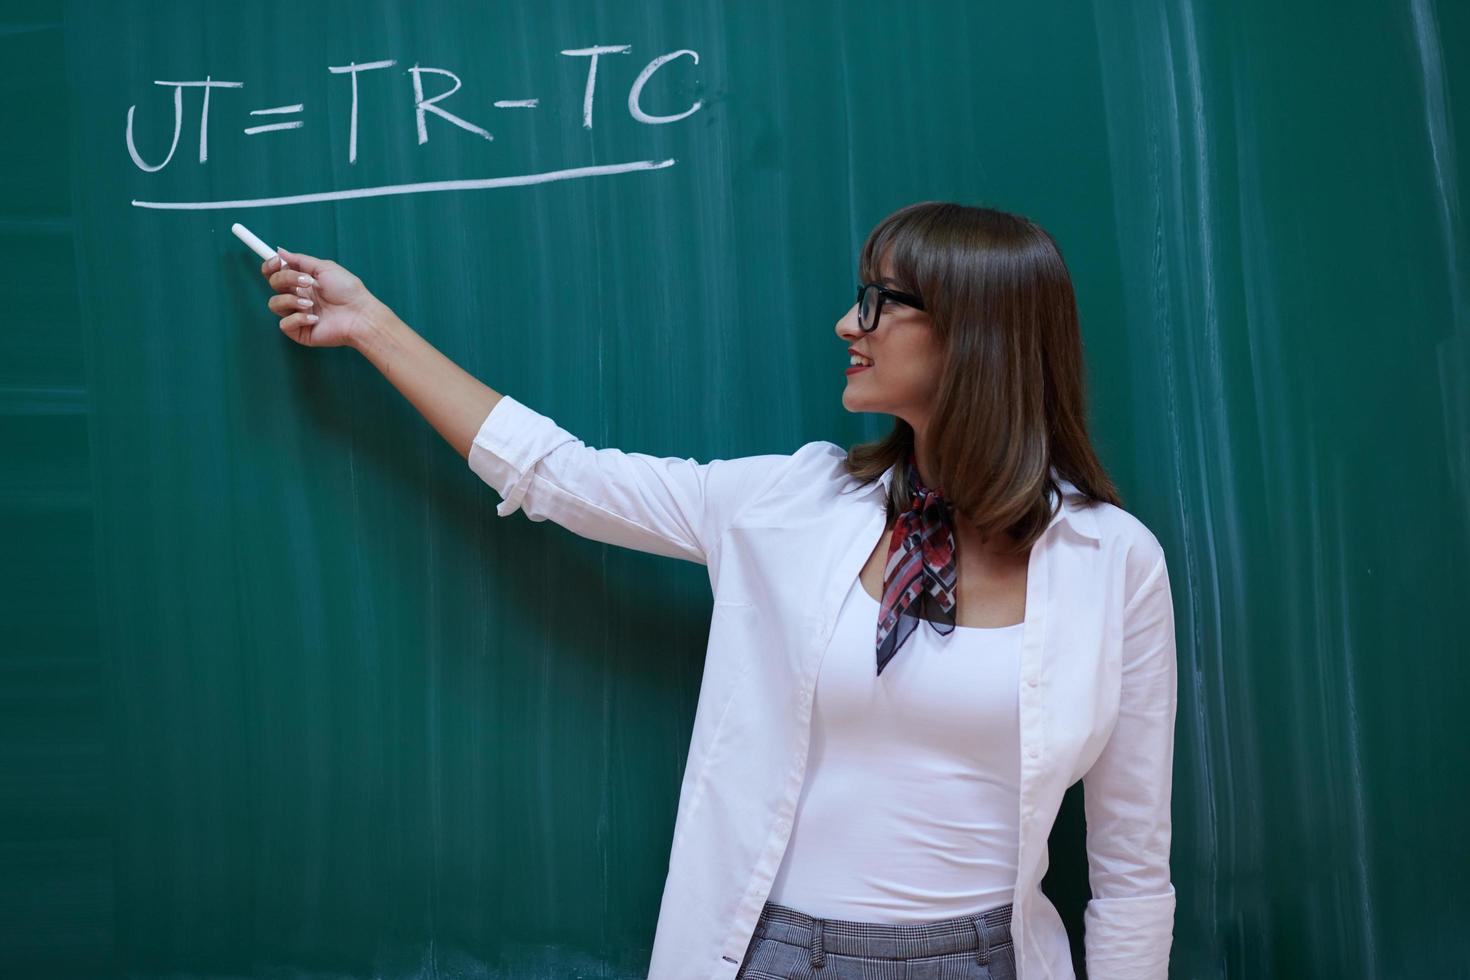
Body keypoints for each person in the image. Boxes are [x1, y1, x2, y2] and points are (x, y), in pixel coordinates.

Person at [257, 201, 1178, 980]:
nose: (846, 325)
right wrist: (370, 323)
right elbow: (557, 475)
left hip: (990, 958)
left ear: (975, 332)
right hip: (775, 952)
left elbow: (1132, 869)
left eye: (878, 302)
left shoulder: (1112, 561)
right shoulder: (790, 503)